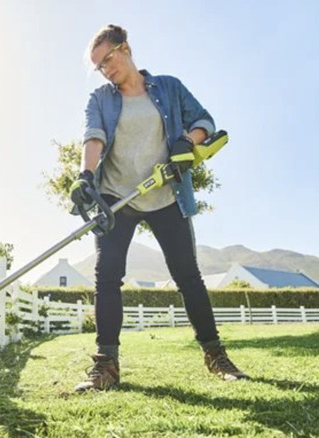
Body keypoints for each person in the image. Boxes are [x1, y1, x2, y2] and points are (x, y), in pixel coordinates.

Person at [69, 24, 249, 392]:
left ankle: (216, 356)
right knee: (107, 277)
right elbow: (94, 135)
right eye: (99, 66)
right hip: (117, 198)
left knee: (188, 275)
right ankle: (106, 366)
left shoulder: (168, 87)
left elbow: (204, 121)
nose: (106, 69)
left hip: (166, 195)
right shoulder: (101, 98)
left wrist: (186, 141)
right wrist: (86, 175)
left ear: (126, 48)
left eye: (108, 58)